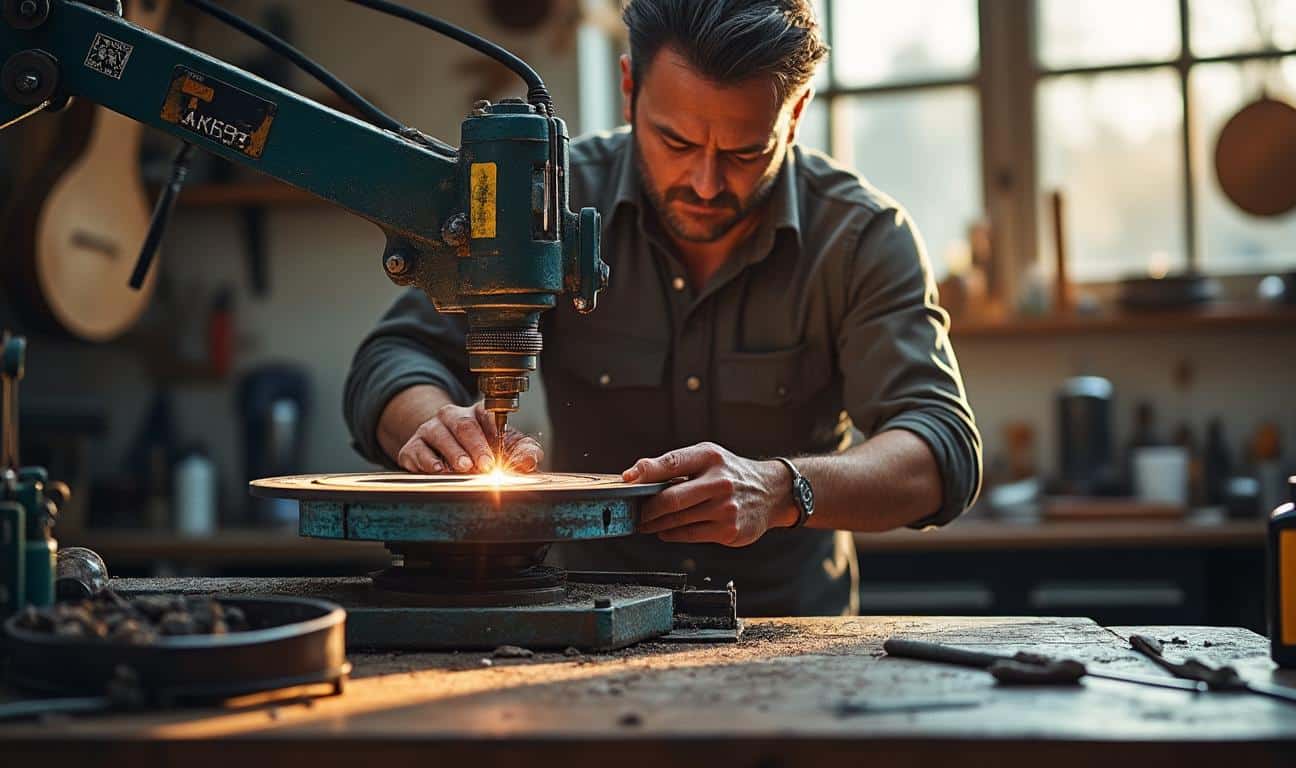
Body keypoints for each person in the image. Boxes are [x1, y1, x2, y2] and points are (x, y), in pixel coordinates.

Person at [343, 0, 981, 616]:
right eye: (674, 142)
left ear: (796, 113)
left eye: (743, 153)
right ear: (629, 88)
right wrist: (432, 425)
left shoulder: (859, 238)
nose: (705, 184)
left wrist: (783, 489)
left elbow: (941, 448)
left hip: (786, 635)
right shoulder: (548, 205)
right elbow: (394, 357)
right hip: (583, 621)